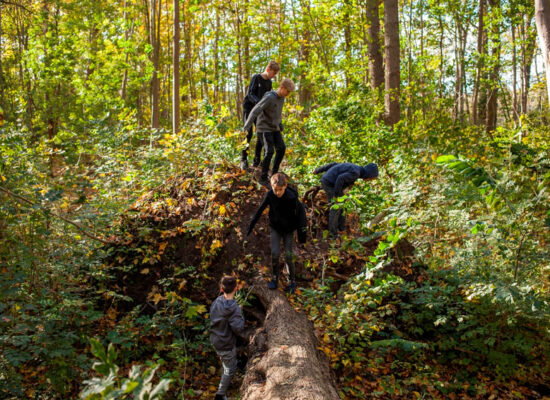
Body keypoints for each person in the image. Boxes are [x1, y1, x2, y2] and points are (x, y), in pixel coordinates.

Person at [247, 173, 306, 294]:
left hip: (289, 230)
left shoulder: (291, 197)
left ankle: (292, 281)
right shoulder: (270, 195)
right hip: (276, 228)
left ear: (285, 186)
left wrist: (302, 235)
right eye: (275, 190)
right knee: (275, 253)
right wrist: (251, 225)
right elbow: (260, 210)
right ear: (271, 186)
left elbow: (301, 215)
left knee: (289, 255)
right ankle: (275, 278)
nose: (277, 193)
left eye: (280, 190)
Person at [243, 78, 295, 188]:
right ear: (281, 87)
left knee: (281, 148)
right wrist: (247, 126)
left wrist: (280, 124)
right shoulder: (269, 97)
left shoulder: (282, 99)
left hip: (274, 128)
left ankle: (274, 173)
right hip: (264, 128)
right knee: (269, 151)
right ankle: (262, 178)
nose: (288, 94)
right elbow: (255, 110)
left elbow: (277, 113)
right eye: (287, 91)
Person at [313, 162, 379, 237]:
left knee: (343, 205)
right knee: (336, 207)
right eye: (371, 178)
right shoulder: (355, 173)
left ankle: (342, 228)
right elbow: (340, 178)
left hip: (331, 182)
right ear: (369, 174)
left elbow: (335, 164)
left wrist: (318, 170)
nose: (369, 180)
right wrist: (336, 195)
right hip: (329, 183)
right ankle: (332, 234)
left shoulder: (355, 167)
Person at [210, 276, 245, 400]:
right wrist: (240, 315)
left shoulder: (217, 302)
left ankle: (223, 377)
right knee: (231, 367)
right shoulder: (233, 308)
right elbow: (238, 328)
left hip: (215, 340)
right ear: (236, 288)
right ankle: (220, 395)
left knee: (225, 362)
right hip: (226, 344)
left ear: (221, 288)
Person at [241, 61, 280, 170]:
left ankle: (257, 160)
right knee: (248, 133)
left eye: (276, 74)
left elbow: (267, 97)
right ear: (268, 69)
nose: (274, 76)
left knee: (261, 133)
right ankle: (243, 159)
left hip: (259, 110)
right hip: (249, 108)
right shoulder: (256, 78)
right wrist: (259, 103)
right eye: (273, 73)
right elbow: (250, 94)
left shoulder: (269, 83)